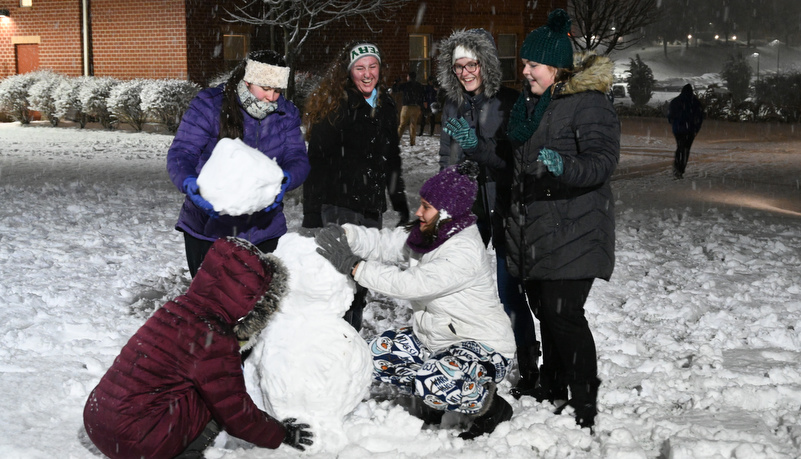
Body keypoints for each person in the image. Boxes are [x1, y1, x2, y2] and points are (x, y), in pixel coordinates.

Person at [314, 163, 516, 440]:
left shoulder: (463, 250)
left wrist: (355, 267)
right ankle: (434, 396)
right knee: (374, 355)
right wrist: (347, 236)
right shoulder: (430, 233)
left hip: (483, 345)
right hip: (436, 339)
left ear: (446, 213)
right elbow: (385, 243)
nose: (419, 212)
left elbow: (411, 284)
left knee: (435, 380)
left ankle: (490, 408)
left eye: (426, 207)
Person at [83, 237, 314, 459]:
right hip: (135, 443)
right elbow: (237, 416)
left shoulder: (176, 307)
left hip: (98, 420)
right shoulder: (213, 338)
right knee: (215, 400)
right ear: (252, 298)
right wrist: (281, 433)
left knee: (203, 385)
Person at [505, 9, 620, 431]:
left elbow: (603, 160)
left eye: (532, 64)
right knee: (547, 312)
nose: (525, 70)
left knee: (563, 312)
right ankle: (553, 388)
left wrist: (565, 167)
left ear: (555, 67)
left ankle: (584, 401)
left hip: (578, 226)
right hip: (541, 226)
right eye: (525, 62)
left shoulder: (587, 103)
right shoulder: (533, 105)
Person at [436, 29, 538, 399]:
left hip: (505, 204)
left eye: (472, 64)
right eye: (458, 66)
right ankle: (471, 360)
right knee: (463, 286)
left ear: (486, 64)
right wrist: (446, 190)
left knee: (508, 289)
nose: (465, 72)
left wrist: (475, 148)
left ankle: (528, 363)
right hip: (467, 207)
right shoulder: (451, 105)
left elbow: (509, 162)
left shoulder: (511, 103)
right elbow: (445, 158)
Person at [167, 50, 310, 278]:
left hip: (264, 232)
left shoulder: (286, 113)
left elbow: (298, 158)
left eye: (277, 90)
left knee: (257, 308)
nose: (272, 97)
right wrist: (188, 183)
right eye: (266, 88)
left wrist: (285, 179)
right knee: (211, 307)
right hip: (208, 232)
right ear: (247, 80)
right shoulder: (209, 105)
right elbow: (182, 152)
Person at [301, 42, 410, 331]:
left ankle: (352, 339)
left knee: (362, 278)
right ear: (349, 72)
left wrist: (399, 202)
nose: (367, 74)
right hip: (339, 204)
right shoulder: (337, 105)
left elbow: (391, 157)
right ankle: (336, 341)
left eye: (372, 66)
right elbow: (317, 161)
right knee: (340, 278)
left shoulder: (385, 105)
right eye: (359, 68)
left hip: (371, 206)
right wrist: (312, 215)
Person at [667, 83, 704, 179]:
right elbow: (700, 117)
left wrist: (674, 124)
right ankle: (680, 168)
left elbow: (670, 116)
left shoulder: (676, 101)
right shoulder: (695, 103)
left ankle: (677, 166)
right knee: (686, 149)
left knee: (680, 147)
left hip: (678, 130)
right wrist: (696, 128)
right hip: (690, 130)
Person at [394, 71, 426, 146]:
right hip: (416, 107)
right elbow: (422, 97)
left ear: (408, 77)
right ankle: (412, 142)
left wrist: (396, 83)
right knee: (413, 125)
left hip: (406, 107)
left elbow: (396, 89)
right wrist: (422, 107)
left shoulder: (406, 85)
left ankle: (396, 140)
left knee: (402, 125)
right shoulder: (419, 85)